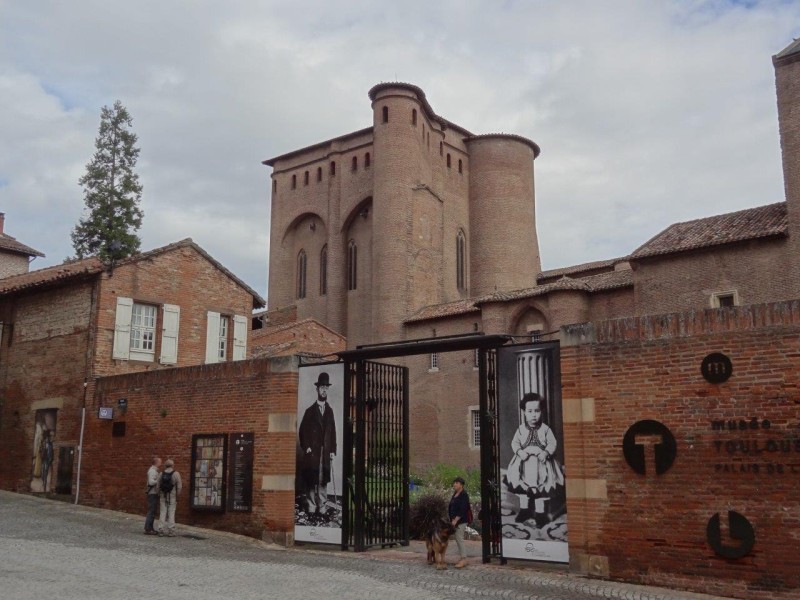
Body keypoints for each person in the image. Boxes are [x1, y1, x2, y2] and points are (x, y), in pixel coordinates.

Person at [505, 392, 565, 526]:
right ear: (524, 412)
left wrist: (546, 453)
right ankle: (524, 510)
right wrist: (520, 452)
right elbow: (514, 443)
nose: (533, 415)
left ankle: (540, 514)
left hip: (541, 466)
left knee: (541, 490)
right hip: (524, 466)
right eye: (530, 411)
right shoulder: (521, 430)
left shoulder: (545, 429)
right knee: (523, 490)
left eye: (537, 411)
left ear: (541, 411)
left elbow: (552, 443)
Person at [298, 372, 337, 521]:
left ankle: (322, 507)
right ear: (317, 389)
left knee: (322, 479)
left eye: (326, 387)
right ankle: (311, 506)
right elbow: (302, 431)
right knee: (311, 479)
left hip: (325, 451)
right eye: (322, 387)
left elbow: (333, 432)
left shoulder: (330, 411)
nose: (324, 390)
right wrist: (306, 447)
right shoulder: (309, 411)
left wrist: (333, 450)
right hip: (312, 452)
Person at [448, 476, 470, 569]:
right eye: (454, 483)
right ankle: (462, 557)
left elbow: (463, 509)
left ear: (461, 485)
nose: (454, 484)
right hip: (454, 520)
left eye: (457, 483)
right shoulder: (455, 493)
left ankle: (464, 559)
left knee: (459, 537)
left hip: (461, 520)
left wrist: (455, 520)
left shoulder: (464, 495)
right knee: (457, 538)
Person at [157, 458, 182, 537]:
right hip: (172, 496)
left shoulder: (161, 473)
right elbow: (179, 486)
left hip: (163, 495)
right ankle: (171, 531)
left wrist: (159, 493)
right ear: (172, 465)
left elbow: (158, 485)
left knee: (162, 512)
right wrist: (177, 494)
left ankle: (161, 530)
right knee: (171, 513)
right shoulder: (176, 474)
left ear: (165, 465)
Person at [144, 456, 161, 535]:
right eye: (160, 462)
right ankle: (148, 528)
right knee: (151, 511)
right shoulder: (152, 471)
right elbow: (151, 482)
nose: (161, 463)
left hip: (154, 493)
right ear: (156, 463)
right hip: (152, 493)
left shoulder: (154, 470)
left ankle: (150, 528)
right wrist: (159, 480)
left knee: (153, 511)